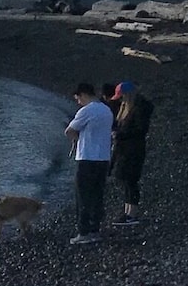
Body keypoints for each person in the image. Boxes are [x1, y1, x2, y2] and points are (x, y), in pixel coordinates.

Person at [66, 83, 114, 245]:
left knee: (83, 196)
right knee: (97, 195)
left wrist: (77, 139)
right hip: (103, 158)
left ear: (83, 94)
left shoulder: (86, 111)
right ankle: (95, 229)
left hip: (87, 158)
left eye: (78, 98)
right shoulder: (107, 110)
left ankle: (84, 232)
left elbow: (70, 130)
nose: (78, 102)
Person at [111, 81, 155, 225]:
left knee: (131, 181)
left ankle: (132, 214)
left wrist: (120, 134)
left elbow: (140, 130)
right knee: (126, 181)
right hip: (126, 149)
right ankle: (127, 212)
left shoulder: (139, 109)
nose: (121, 100)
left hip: (133, 150)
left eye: (122, 96)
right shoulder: (129, 108)